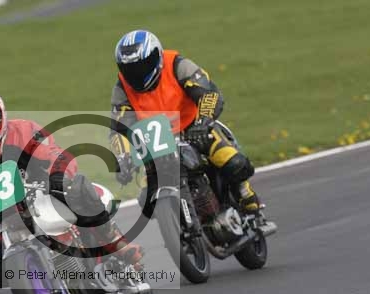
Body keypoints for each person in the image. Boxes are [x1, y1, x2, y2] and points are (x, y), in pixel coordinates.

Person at [0, 86, 143, 289]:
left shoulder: (23, 131)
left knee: (78, 186)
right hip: (6, 223)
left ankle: (116, 243)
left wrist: (58, 174)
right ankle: (33, 282)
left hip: (45, 197)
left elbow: (54, 153)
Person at [109, 29, 261, 219]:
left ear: (157, 56)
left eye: (143, 65)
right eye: (130, 69)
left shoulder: (178, 65)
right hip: (156, 142)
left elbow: (209, 94)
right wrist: (122, 157)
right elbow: (119, 127)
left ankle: (243, 190)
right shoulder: (122, 88)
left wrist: (203, 122)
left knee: (232, 162)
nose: (137, 73)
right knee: (146, 201)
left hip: (193, 128)